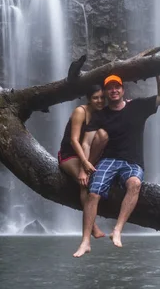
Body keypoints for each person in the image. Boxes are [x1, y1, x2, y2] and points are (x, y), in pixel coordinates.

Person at [73, 74, 160, 257]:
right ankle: (85, 241)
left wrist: (158, 73)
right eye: (110, 88)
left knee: (135, 184)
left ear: (123, 90)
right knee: (93, 193)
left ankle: (117, 230)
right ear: (106, 92)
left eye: (117, 87)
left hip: (133, 161)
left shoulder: (138, 106)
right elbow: (86, 143)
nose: (114, 90)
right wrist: (83, 168)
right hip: (109, 160)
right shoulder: (101, 116)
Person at [58, 84, 108, 239]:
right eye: (95, 98)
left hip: (90, 155)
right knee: (85, 183)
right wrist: (84, 163)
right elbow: (74, 140)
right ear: (89, 99)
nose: (99, 101)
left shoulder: (102, 114)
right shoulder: (81, 111)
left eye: (102, 98)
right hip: (69, 154)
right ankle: (92, 226)